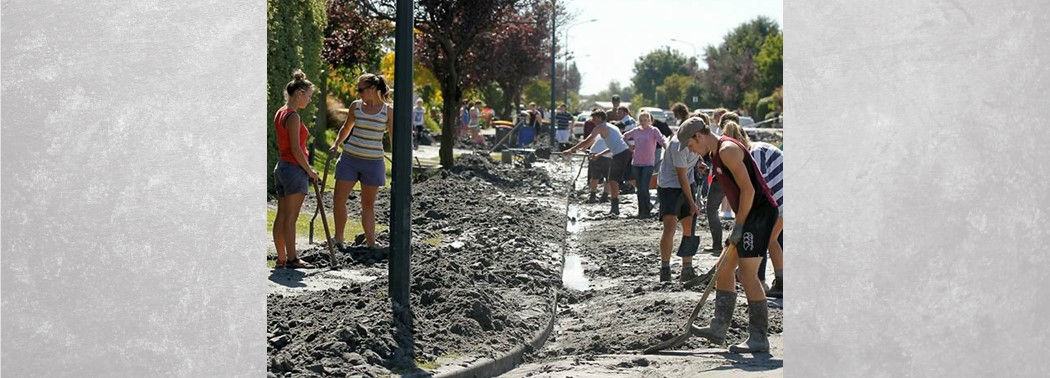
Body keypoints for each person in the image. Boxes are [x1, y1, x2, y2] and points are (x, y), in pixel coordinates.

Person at [683, 118, 779, 353]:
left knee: (747, 274)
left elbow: (749, 189)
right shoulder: (716, 154)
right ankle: (718, 327)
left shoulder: (728, 150)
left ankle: (759, 338)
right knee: (723, 267)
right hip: (748, 215)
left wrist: (739, 226)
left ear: (699, 136)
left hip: (759, 215)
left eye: (690, 144)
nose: (690, 150)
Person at [329, 73, 394, 250]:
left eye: (361, 89)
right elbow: (346, 127)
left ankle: (371, 243)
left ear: (373, 89)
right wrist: (336, 144)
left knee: (367, 204)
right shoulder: (356, 106)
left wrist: (398, 160)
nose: (358, 93)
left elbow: (393, 136)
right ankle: (338, 238)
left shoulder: (387, 111)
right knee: (339, 199)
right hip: (349, 159)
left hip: (373, 163)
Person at [721, 122, 784, 298]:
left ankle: (776, 281)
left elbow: (759, 186)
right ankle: (778, 280)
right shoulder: (756, 149)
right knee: (771, 239)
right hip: (782, 199)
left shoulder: (754, 153)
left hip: (782, 200)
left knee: (769, 239)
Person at [272, 69, 319, 269]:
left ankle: (281, 258)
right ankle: (292, 258)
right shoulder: (293, 117)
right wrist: (310, 171)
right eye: (308, 96)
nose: (309, 100)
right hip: (293, 169)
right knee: (291, 217)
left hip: (282, 167)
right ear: (299, 93)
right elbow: (296, 149)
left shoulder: (280, 112)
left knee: (281, 215)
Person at [655, 117, 706, 282]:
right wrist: (692, 203)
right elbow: (681, 176)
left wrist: (700, 162)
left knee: (689, 225)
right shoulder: (678, 145)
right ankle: (665, 268)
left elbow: (695, 158)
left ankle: (687, 268)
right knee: (670, 227)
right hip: (669, 186)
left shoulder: (698, 140)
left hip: (687, 182)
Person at [563, 109, 631, 215]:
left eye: (594, 118)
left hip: (620, 155)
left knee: (613, 180)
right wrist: (597, 153)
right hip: (624, 153)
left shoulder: (600, 127)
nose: (592, 120)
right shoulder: (612, 126)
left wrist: (571, 150)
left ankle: (615, 208)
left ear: (600, 118)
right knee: (629, 179)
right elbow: (613, 145)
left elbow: (588, 140)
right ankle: (643, 201)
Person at [621, 111, 665, 218]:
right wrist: (629, 146)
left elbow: (662, 140)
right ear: (638, 121)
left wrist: (668, 149)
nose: (643, 122)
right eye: (641, 120)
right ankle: (641, 211)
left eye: (645, 120)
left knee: (645, 187)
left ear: (649, 121)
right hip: (636, 163)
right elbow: (624, 137)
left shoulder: (654, 130)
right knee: (639, 188)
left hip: (648, 163)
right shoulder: (636, 131)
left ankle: (646, 211)